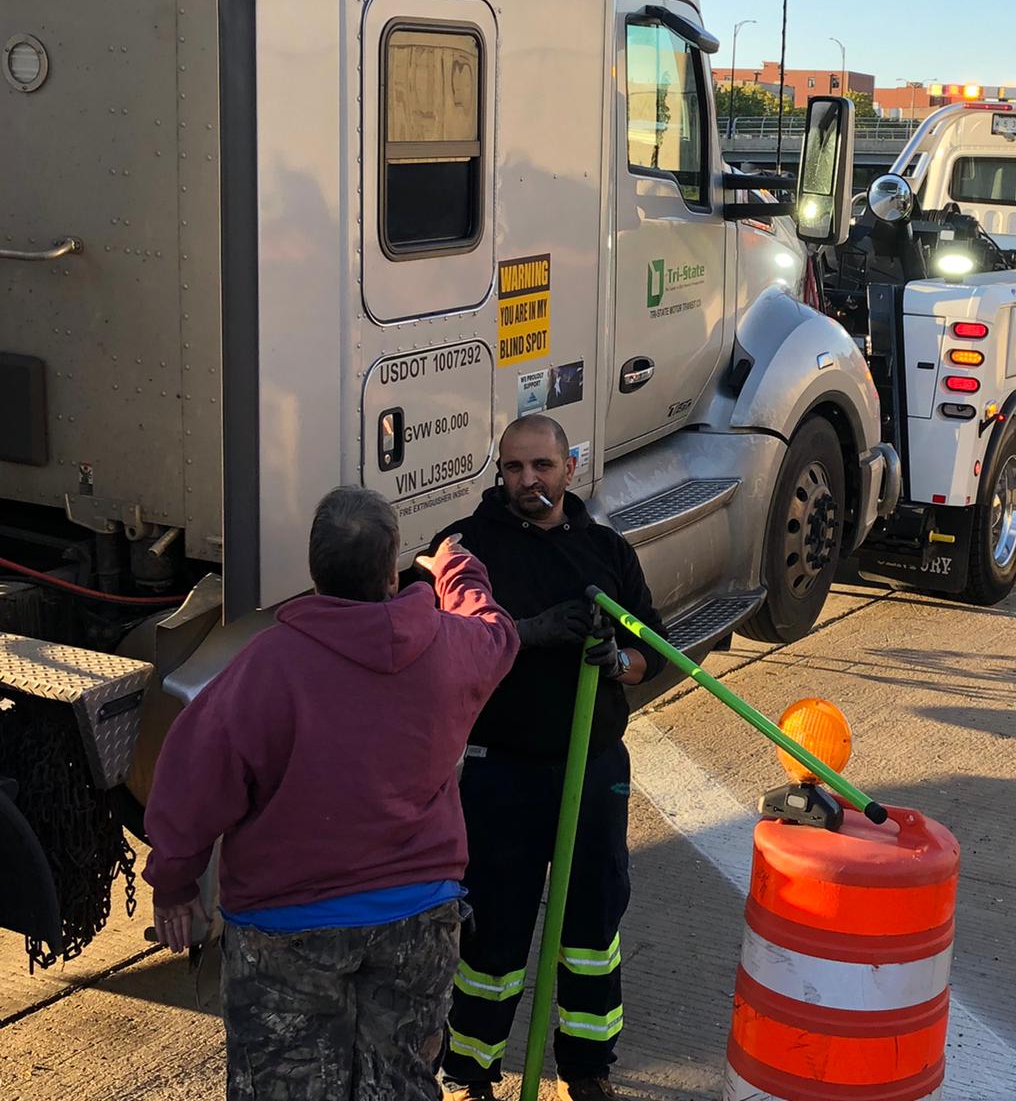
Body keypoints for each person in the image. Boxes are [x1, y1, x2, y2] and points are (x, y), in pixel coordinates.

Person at [143, 486, 519, 1100]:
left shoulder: (268, 664)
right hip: (419, 919)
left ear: (315, 569)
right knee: (400, 1084)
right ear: (392, 567)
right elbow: (496, 630)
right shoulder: (450, 647)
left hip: (285, 928)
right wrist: (456, 566)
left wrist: (176, 886)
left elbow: (193, 782)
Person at [435, 414, 665, 1101]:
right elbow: (435, 648)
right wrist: (524, 636)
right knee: (491, 929)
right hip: (501, 771)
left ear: (570, 468)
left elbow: (653, 644)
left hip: (592, 768)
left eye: (541, 467)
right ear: (499, 472)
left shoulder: (606, 552)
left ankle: (588, 1071)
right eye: (513, 469)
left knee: (593, 924)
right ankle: (469, 1072)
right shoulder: (466, 550)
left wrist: (619, 659)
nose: (526, 481)